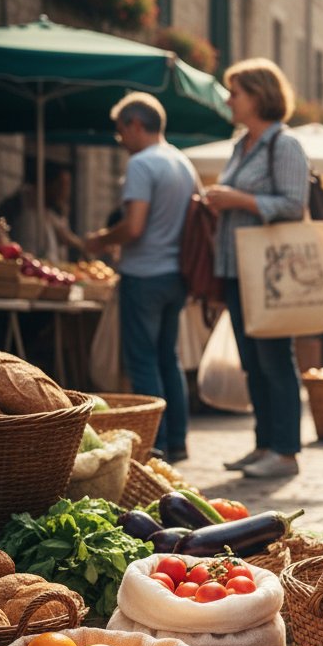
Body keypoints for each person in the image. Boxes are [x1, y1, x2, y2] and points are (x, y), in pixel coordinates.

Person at [204, 58, 308, 480]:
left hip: (268, 272)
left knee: (274, 360)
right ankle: (264, 444)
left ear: (259, 96)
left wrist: (237, 200)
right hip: (235, 268)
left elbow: (293, 204)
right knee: (252, 362)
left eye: (236, 93)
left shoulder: (284, 145)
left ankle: (285, 452)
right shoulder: (239, 144)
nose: (229, 100)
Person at [84, 93, 195, 462]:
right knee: (168, 358)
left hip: (144, 273)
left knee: (143, 361)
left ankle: (155, 446)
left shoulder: (142, 165)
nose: (120, 140)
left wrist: (101, 239)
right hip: (176, 275)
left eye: (120, 132)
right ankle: (177, 439)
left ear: (135, 124)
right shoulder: (183, 163)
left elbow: (133, 227)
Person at [0, 159, 81, 263]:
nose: (65, 192)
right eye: (61, 185)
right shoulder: (16, 205)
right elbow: (0, 237)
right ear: (48, 184)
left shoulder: (50, 210)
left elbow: (64, 235)